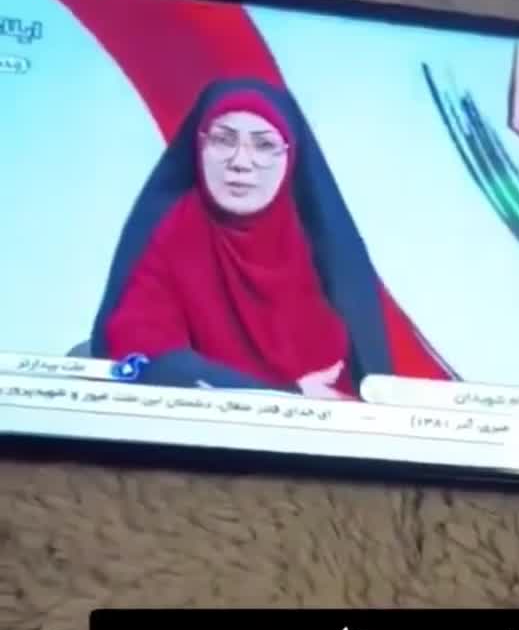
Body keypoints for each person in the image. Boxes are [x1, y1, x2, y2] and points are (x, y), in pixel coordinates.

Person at [93, 78, 399, 395]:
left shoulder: (322, 243)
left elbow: (361, 381)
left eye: (264, 146)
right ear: (199, 146)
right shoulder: (175, 232)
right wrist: (282, 394)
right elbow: (138, 352)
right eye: (223, 141)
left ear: (291, 155)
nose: (240, 163)